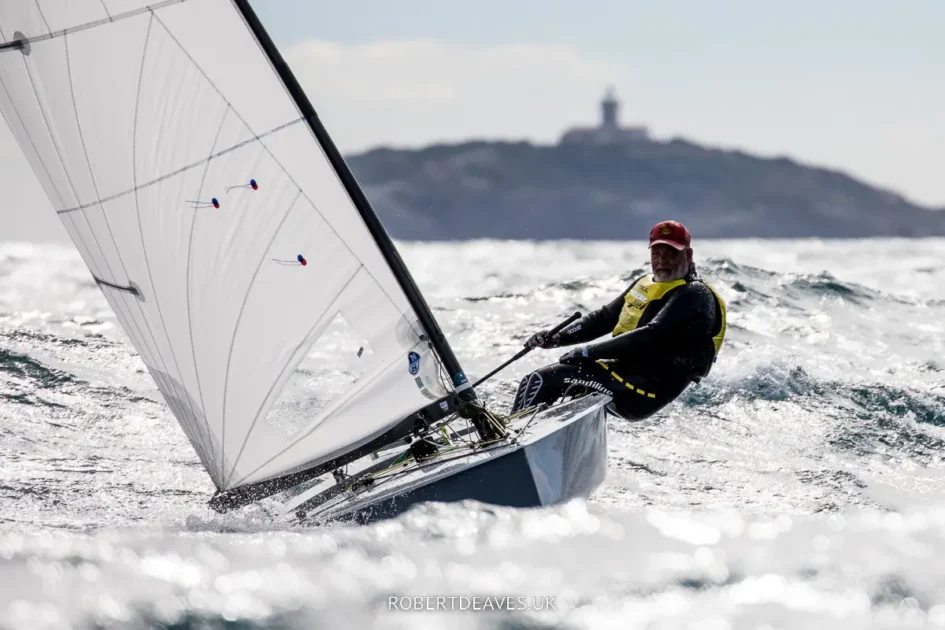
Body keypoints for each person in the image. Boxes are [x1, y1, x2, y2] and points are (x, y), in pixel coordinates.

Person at [509, 220, 727, 420]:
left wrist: (588, 352)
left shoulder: (695, 294)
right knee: (542, 381)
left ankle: (513, 439)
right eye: (656, 254)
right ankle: (526, 433)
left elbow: (651, 335)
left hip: (647, 390)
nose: (662, 261)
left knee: (543, 379)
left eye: (671, 253)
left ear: (688, 255)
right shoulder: (646, 283)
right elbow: (603, 318)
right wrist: (555, 338)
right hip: (623, 373)